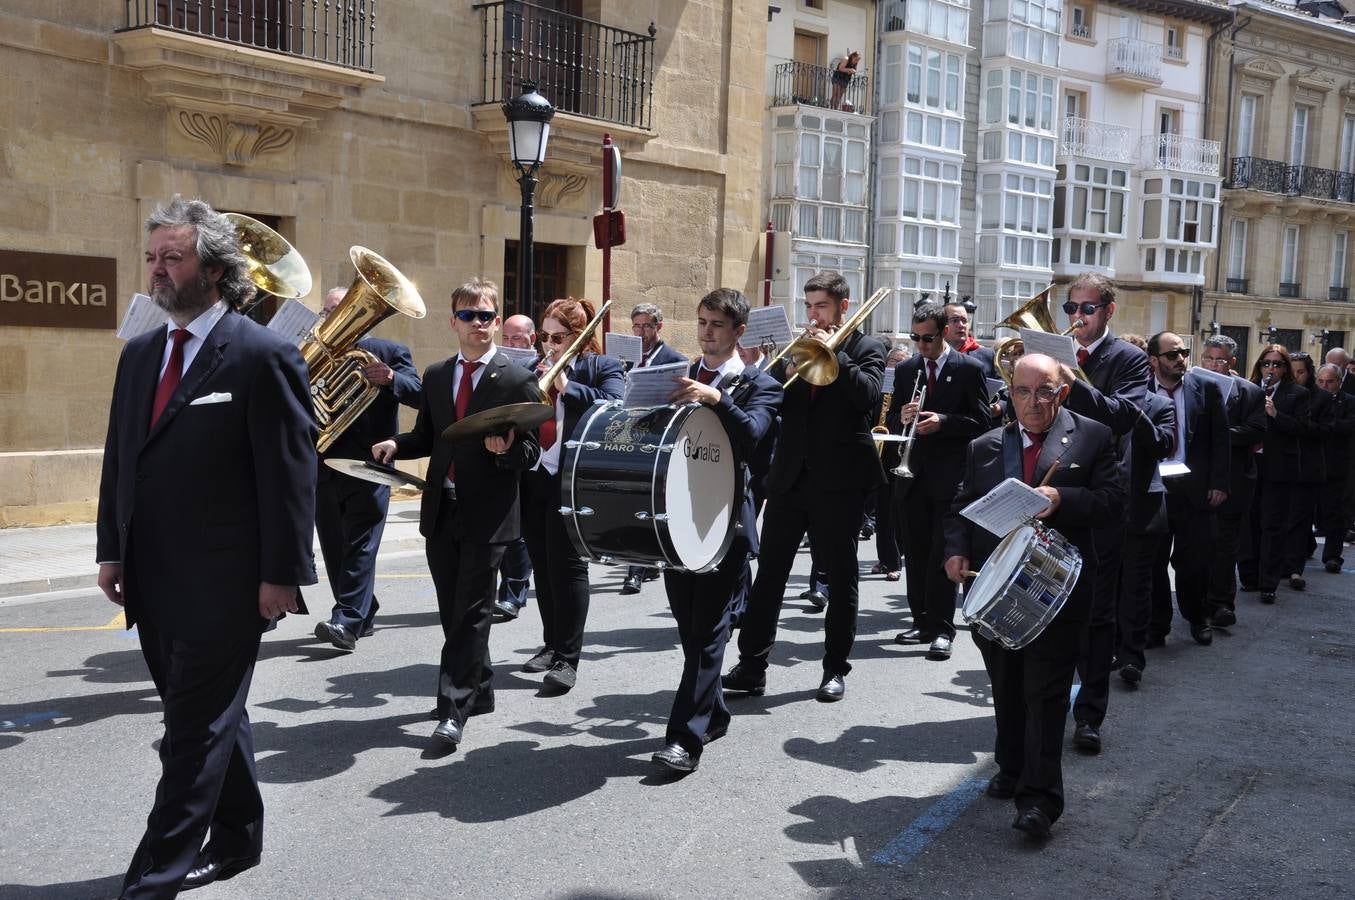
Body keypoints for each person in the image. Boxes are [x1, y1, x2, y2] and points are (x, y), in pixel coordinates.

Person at [97, 197, 318, 894]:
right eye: (154, 257)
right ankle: (240, 837)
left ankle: (151, 878)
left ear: (215, 270)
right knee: (208, 715)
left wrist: (282, 574)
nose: (159, 271)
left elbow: (289, 474)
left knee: (191, 732)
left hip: (228, 582)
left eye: (175, 258)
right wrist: (111, 549)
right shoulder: (139, 355)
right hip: (151, 578)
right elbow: (119, 459)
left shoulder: (264, 354)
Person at [944, 353, 1123, 840]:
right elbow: (961, 507)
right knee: (1006, 686)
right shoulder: (984, 445)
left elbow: (1113, 503)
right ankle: (1011, 765)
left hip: (1056, 591)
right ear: (1010, 394)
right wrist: (955, 553)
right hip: (994, 589)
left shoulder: (1092, 436)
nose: (1033, 402)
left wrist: (1065, 500)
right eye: (1022, 392)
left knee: (1044, 694)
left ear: (1062, 392)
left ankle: (1041, 800)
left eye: (1044, 391)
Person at [373, 278, 541, 748]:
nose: (479, 324)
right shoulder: (436, 375)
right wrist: (395, 444)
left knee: (470, 611)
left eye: (487, 316)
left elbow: (530, 451)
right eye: (469, 316)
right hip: (441, 510)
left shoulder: (514, 377)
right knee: (453, 611)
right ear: (454, 322)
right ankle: (481, 689)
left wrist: (507, 448)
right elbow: (429, 436)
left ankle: (453, 708)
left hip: (488, 515)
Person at [723, 271, 886, 702]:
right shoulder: (795, 349)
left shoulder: (867, 347)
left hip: (840, 481)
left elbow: (868, 398)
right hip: (790, 479)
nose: (813, 314)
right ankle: (752, 666)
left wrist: (833, 351)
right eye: (809, 306)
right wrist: (778, 362)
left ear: (842, 307)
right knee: (771, 575)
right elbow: (772, 394)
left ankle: (835, 668)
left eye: (821, 307)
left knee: (841, 575)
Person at [650, 288, 781, 773]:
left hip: (724, 526)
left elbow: (753, 438)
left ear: (738, 332)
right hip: (675, 521)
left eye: (718, 325)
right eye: (703, 322)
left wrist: (718, 398)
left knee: (707, 634)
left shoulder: (760, 385)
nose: (707, 333)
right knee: (690, 630)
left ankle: (685, 740)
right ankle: (715, 712)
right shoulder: (675, 376)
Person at [1057, 273, 1148, 755]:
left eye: (1087, 309)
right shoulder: (1057, 348)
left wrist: (1073, 383)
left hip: (1102, 496)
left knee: (1096, 613)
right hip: (1052, 488)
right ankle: (1047, 703)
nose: (1077, 317)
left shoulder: (1129, 359)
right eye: (1071, 308)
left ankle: (1089, 714)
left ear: (1109, 311)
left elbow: (1123, 417)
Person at [520, 298, 626, 689]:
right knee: (542, 566)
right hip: (535, 475)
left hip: (573, 477)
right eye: (544, 336)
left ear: (579, 338)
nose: (548, 344)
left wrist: (568, 386)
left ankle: (568, 657)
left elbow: (616, 406)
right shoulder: (534, 368)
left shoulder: (602, 367)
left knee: (567, 567)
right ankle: (550, 643)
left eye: (557, 337)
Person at [314, 286, 422, 651]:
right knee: (334, 547)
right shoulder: (310, 356)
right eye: (327, 311)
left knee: (360, 545)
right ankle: (364, 610)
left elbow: (420, 394)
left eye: (339, 309)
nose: (333, 318)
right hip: (323, 466)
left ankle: (345, 620)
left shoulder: (389, 353)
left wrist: (392, 379)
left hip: (369, 466)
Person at [887, 304, 992, 660]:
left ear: (945, 332)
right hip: (912, 474)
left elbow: (981, 422)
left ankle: (943, 628)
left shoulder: (969, 368)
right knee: (914, 553)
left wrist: (944, 421)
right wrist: (901, 416)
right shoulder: (906, 369)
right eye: (915, 338)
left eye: (927, 338)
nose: (921, 345)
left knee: (943, 554)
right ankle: (921, 620)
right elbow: (889, 420)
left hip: (951, 477)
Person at [1145, 332, 1229, 648]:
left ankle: (1197, 617)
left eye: (1184, 352)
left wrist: (1220, 482)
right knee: (1153, 560)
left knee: (1195, 560)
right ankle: (1157, 625)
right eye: (1172, 354)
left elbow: (1221, 439)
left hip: (1194, 488)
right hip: (1154, 488)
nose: (1181, 358)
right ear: (1154, 360)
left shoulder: (1205, 388)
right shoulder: (1140, 391)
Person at [1110, 334, 1174, 687]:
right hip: (1106, 508)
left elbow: (1164, 445)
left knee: (1135, 588)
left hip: (1141, 512)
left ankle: (1133, 657)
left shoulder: (1158, 405)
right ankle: (1109, 649)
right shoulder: (1102, 401)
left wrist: (1134, 414)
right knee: (1106, 586)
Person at [1198, 335, 1266, 629]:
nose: (1214, 365)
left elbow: (1256, 429)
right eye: (1209, 359)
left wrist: (1222, 433)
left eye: (1220, 360)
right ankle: (1197, 602)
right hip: (1197, 481)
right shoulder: (1191, 386)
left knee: (1227, 545)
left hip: (1235, 479)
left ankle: (1222, 603)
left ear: (1232, 362)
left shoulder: (1250, 392)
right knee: (1198, 545)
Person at [1238, 345, 1310, 604]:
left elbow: (1302, 428)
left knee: (1273, 525)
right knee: (1249, 522)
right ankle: (1249, 576)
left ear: (1285, 368)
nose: (1271, 369)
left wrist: (1275, 413)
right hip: (1251, 464)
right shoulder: (1249, 389)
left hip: (1279, 468)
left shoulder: (1297, 394)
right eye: (1267, 363)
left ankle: (1269, 582)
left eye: (1278, 364)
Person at [623, 302, 687, 593]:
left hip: (656, 436)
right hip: (629, 433)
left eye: (647, 326)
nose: (641, 331)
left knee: (647, 502)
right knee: (635, 502)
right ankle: (643, 563)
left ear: (659, 327)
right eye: (637, 325)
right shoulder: (626, 355)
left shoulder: (673, 359)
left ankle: (636, 569)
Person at [495, 312, 538, 620]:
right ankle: (503, 591)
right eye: (506, 339)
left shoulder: (542, 365)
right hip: (503, 453)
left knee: (520, 530)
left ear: (531, 339)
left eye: (518, 339)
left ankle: (514, 594)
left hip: (533, 456)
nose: (511, 345)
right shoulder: (497, 364)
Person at [870, 345, 909, 582]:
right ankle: (885, 559)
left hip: (899, 453)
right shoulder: (878, 386)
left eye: (901, 362)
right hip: (880, 455)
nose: (896, 366)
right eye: (893, 361)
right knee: (882, 512)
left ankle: (895, 561)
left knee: (897, 512)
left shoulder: (908, 387)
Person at [1315, 364, 1355, 573]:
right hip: (1312, 463)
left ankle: (1332, 555)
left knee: (1336, 513)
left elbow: (1348, 426)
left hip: (1337, 464)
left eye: (1329, 382)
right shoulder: (1310, 399)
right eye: (1320, 381)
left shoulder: (1349, 402)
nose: (1324, 386)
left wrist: (1324, 424)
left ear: (1339, 382)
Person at [942, 301, 999, 379]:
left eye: (964, 321)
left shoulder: (987, 355)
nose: (961, 325)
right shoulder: (934, 356)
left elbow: (999, 385)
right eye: (955, 320)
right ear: (942, 325)